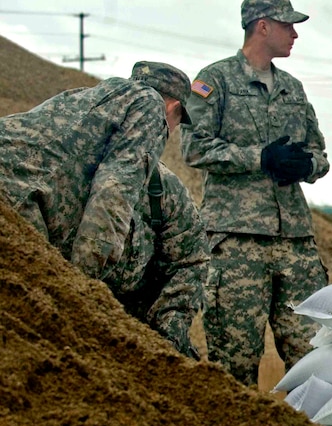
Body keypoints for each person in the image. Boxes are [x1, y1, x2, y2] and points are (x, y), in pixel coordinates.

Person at [182, 0, 330, 387]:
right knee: (235, 362)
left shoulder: (293, 89)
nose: (295, 34)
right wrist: (259, 158)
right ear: (262, 26)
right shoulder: (215, 80)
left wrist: (308, 165)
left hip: (296, 243)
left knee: (314, 358)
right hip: (237, 243)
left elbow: (320, 154)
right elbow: (194, 148)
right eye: (287, 25)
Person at [0, 60, 191, 283]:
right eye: (175, 124)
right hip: (15, 194)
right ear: (173, 108)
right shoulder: (150, 107)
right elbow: (113, 193)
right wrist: (82, 285)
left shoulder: (93, 96)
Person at [111, 160, 209, 359]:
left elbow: (189, 262)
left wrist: (164, 341)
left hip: (140, 327)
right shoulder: (61, 176)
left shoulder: (162, 188)